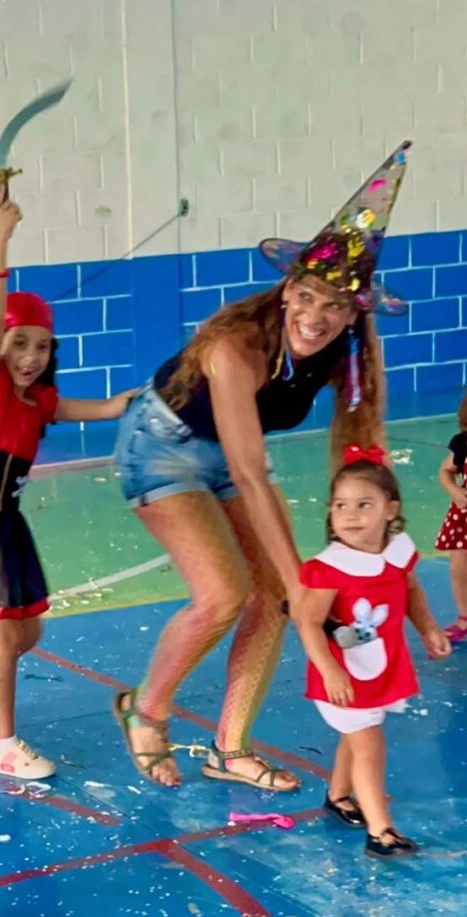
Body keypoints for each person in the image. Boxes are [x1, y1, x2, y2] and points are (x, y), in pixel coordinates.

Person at [112, 141, 413, 791]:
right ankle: (145, 710)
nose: (316, 317)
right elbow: (250, 474)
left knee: (276, 598)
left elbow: (361, 446)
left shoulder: (346, 352)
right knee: (224, 594)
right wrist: (304, 582)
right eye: (306, 296)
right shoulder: (236, 347)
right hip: (162, 445)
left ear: (354, 313)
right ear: (286, 290)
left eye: (335, 306)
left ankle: (229, 749)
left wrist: (377, 539)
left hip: (232, 451)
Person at [0, 193, 137, 781]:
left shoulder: (39, 402)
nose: (31, 356)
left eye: (42, 346)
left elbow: (108, 406)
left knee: (25, 632)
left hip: (7, 528)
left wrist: (156, 394)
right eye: (21, 344)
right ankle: (5, 744)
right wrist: (0, 237)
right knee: (10, 632)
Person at [296, 445, 450, 857]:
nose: (350, 515)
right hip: (343, 672)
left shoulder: (398, 553)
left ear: (390, 509)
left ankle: (338, 796)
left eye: (364, 504)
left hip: (381, 666)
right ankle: (381, 832)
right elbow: (308, 621)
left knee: (358, 734)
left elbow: (411, 591)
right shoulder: (330, 567)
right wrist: (329, 671)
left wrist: (428, 627)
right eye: (340, 505)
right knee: (368, 741)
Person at [434, 391, 467, 642]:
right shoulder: (462, 444)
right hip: (465, 514)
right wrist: (455, 491)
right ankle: (465, 617)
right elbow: (445, 471)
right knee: (458, 568)